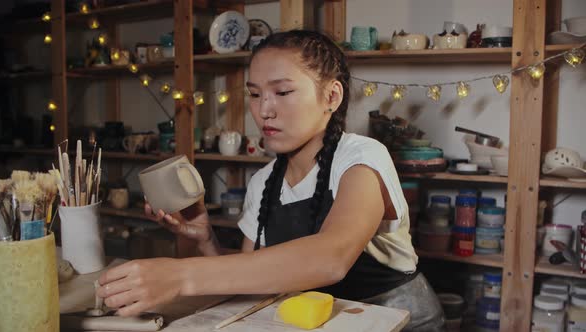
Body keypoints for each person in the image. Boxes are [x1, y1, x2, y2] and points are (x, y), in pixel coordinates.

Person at [97, 30, 444, 331]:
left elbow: (330, 258)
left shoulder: (362, 157)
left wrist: (178, 276)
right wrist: (206, 239)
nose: (264, 110)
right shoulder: (264, 182)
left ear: (332, 97)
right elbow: (252, 281)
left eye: (282, 92)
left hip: (398, 322)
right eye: (255, 93)